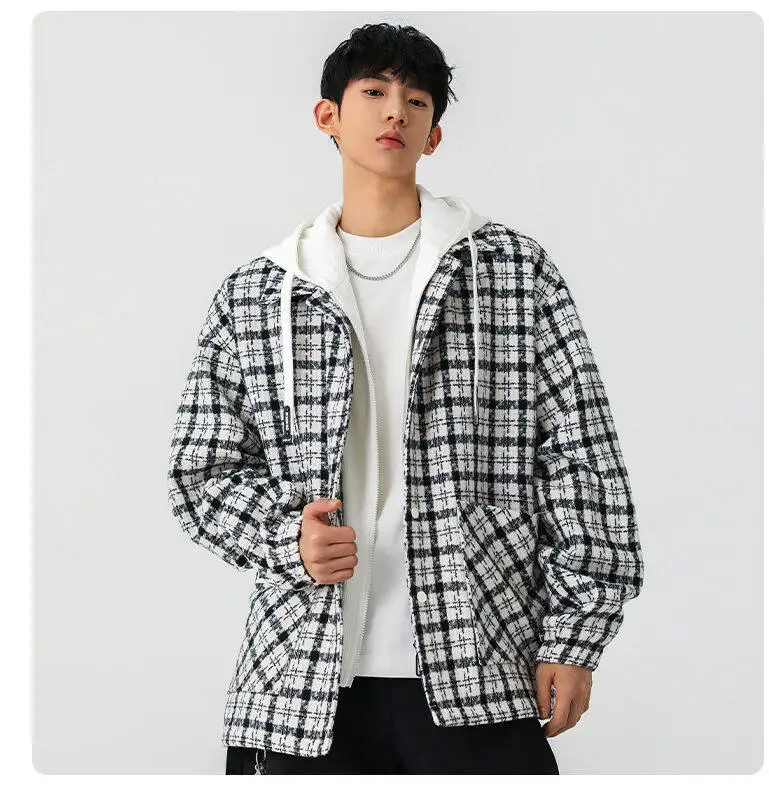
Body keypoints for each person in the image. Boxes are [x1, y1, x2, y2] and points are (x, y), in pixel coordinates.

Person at [167, 22, 644, 775]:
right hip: (303, 677)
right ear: (328, 115)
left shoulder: (512, 272)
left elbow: (582, 458)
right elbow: (201, 472)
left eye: (416, 100)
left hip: (479, 664)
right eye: (374, 92)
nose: (395, 111)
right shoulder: (259, 292)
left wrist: (574, 636)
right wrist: (287, 539)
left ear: (434, 133)